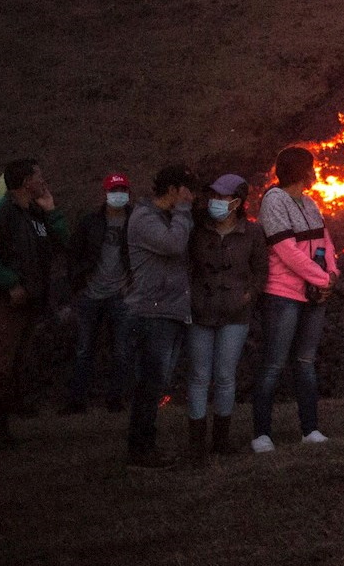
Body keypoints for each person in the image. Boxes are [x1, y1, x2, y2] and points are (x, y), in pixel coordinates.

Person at [0, 159, 68, 451]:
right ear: (26, 181)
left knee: (12, 365)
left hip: (29, 303)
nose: (43, 181)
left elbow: (63, 243)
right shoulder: (1, 212)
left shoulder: (35, 215)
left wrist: (52, 213)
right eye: (39, 176)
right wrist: (9, 282)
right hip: (5, 303)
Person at [252, 146, 339, 452]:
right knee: (274, 363)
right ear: (302, 171)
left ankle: (310, 428)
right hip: (283, 294)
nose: (316, 173)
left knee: (305, 361)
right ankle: (261, 433)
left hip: (313, 294)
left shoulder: (310, 202)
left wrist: (331, 272)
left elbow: (325, 240)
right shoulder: (274, 201)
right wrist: (321, 278)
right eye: (312, 167)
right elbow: (285, 250)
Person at [185, 173, 267, 459]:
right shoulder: (198, 230)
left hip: (235, 314)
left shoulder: (253, 233)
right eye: (214, 196)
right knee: (198, 376)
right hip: (200, 310)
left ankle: (220, 442)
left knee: (224, 376)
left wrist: (247, 295)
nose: (215, 202)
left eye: (222, 197)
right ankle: (196, 443)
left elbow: (260, 271)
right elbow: (187, 265)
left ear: (237, 202)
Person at [126, 165, 196, 467]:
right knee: (151, 382)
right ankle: (141, 449)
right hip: (154, 311)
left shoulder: (166, 218)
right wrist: (183, 212)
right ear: (172, 190)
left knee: (157, 381)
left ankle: (144, 444)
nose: (192, 196)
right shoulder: (145, 219)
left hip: (171, 309)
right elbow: (173, 244)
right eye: (187, 190)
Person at [62, 173, 135, 415]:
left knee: (122, 350)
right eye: (115, 189)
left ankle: (115, 399)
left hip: (121, 294)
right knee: (84, 349)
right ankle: (76, 400)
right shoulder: (90, 221)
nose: (119, 194)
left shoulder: (135, 221)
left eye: (123, 189)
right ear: (105, 193)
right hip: (91, 293)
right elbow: (74, 253)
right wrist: (79, 283)